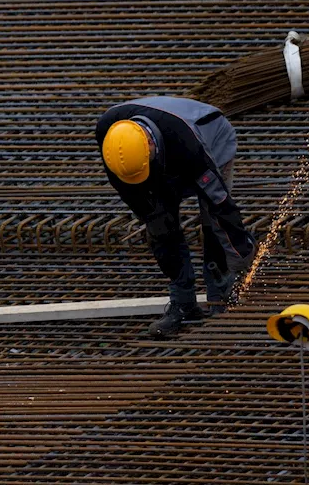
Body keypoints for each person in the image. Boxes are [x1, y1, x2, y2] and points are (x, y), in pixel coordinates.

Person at [96, 96, 256, 338]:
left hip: (211, 138)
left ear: (151, 145)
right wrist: (155, 217)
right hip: (155, 160)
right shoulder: (110, 138)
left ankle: (221, 296)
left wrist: (240, 253)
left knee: (213, 221)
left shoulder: (187, 144)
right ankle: (183, 303)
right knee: (160, 225)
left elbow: (220, 205)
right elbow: (142, 205)